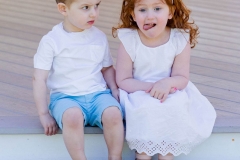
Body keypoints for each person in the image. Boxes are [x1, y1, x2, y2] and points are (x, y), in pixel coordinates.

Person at [113, 0, 216, 159]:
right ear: (133, 15)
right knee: (145, 107)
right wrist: (151, 87)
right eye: (142, 10)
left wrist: (166, 83)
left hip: (171, 89)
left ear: (170, 12)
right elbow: (123, 80)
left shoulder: (179, 39)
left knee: (174, 106)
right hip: (138, 90)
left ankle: (166, 155)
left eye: (157, 8)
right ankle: (143, 155)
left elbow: (181, 78)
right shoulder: (129, 40)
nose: (149, 15)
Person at [33, 0, 124, 159]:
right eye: (85, 8)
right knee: (72, 117)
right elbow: (39, 79)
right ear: (63, 9)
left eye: (96, 5)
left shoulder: (99, 36)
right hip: (65, 97)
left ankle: (115, 157)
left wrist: (115, 89)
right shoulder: (52, 40)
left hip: (98, 95)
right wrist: (43, 114)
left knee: (114, 114)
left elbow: (107, 68)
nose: (93, 13)